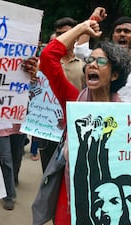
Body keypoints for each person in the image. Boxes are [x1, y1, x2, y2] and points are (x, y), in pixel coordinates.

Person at [30, 19, 131, 225]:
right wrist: (81, 29)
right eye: (90, 61)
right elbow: (49, 56)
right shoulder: (73, 102)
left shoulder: (127, 116)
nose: (92, 65)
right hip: (71, 196)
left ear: (115, 74)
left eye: (101, 62)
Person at [74, 7, 131, 103]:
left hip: (130, 117)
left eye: (127, 31)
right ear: (113, 36)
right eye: (118, 31)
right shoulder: (98, 58)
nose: (122, 34)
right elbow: (80, 50)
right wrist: (93, 20)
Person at [36, 17, 86, 174]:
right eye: (59, 34)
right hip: (47, 126)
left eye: (67, 33)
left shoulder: (85, 65)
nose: (62, 37)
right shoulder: (41, 63)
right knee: (49, 173)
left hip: (73, 127)